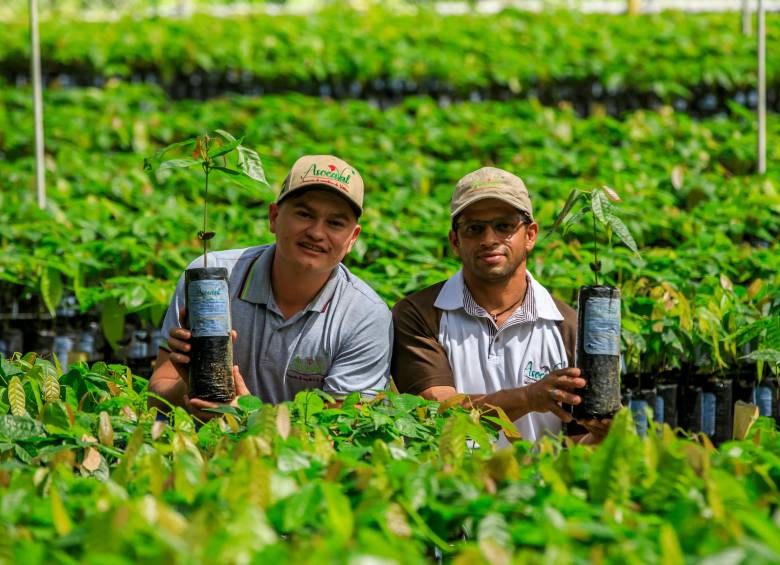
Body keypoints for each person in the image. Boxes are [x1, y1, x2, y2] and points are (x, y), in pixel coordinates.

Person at [150, 155, 392, 419]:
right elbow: (157, 394)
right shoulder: (212, 280)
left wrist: (248, 417)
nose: (316, 233)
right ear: (274, 216)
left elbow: (342, 428)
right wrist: (191, 386)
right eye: (304, 214)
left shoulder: (366, 316)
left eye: (335, 223)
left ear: (352, 238)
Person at [391, 167, 609, 444]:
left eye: (504, 226)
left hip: (541, 485)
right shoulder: (419, 315)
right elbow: (437, 412)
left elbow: (577, 441)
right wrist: (528, 397)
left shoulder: (568, 326)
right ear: (455, 241)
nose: (489, 240)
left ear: (530, 235)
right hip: (448, 483)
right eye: (474, 229)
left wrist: (604, 436)